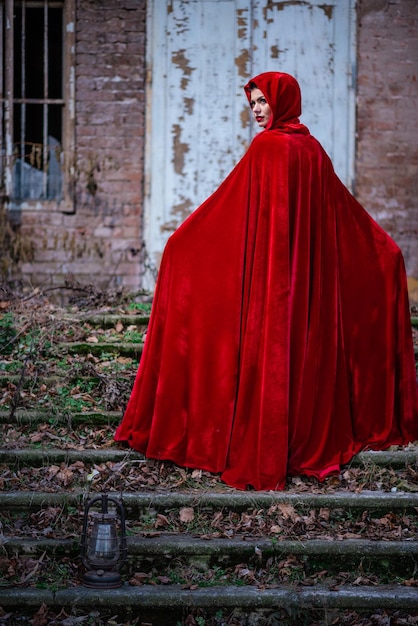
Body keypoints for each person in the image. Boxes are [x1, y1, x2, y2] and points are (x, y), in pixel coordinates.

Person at [115, 71, 417, 491]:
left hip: (274, 288)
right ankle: (297, 439)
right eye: (252, 103)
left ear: (283, 100)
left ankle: (271, 442)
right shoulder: (313, 152)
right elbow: (337, 217)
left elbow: (234, 207)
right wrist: (385, 254)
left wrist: (183, 245)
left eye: (262, 101)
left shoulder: (271, 149)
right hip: (303, 293)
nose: (257, 110)